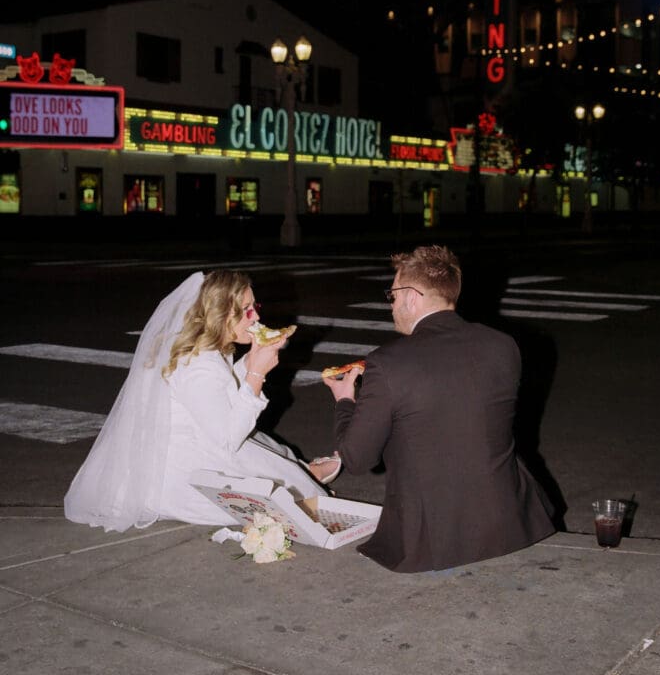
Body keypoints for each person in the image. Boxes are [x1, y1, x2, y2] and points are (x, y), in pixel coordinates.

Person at [322, 244, 555, 573]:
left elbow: (358, 458)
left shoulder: (388, 363)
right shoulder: (503, 345)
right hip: (512, 523)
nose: (392, 306)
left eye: (393, 296)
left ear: (412, 298)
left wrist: (345, 400)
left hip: (432, 542)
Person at [65, 270, 341, 533]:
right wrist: (257, 373)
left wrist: (251, 359)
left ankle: (303, 472)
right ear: (220, 314)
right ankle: (304, 476)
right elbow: (227, 439)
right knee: (295, 494)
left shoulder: (205, 346)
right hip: (185, 470)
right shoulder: (198, 365)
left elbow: (222, 388)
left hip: (202, 439)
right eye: (245, 310)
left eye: (254, 305)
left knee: (279, 463)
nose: (256, 315)